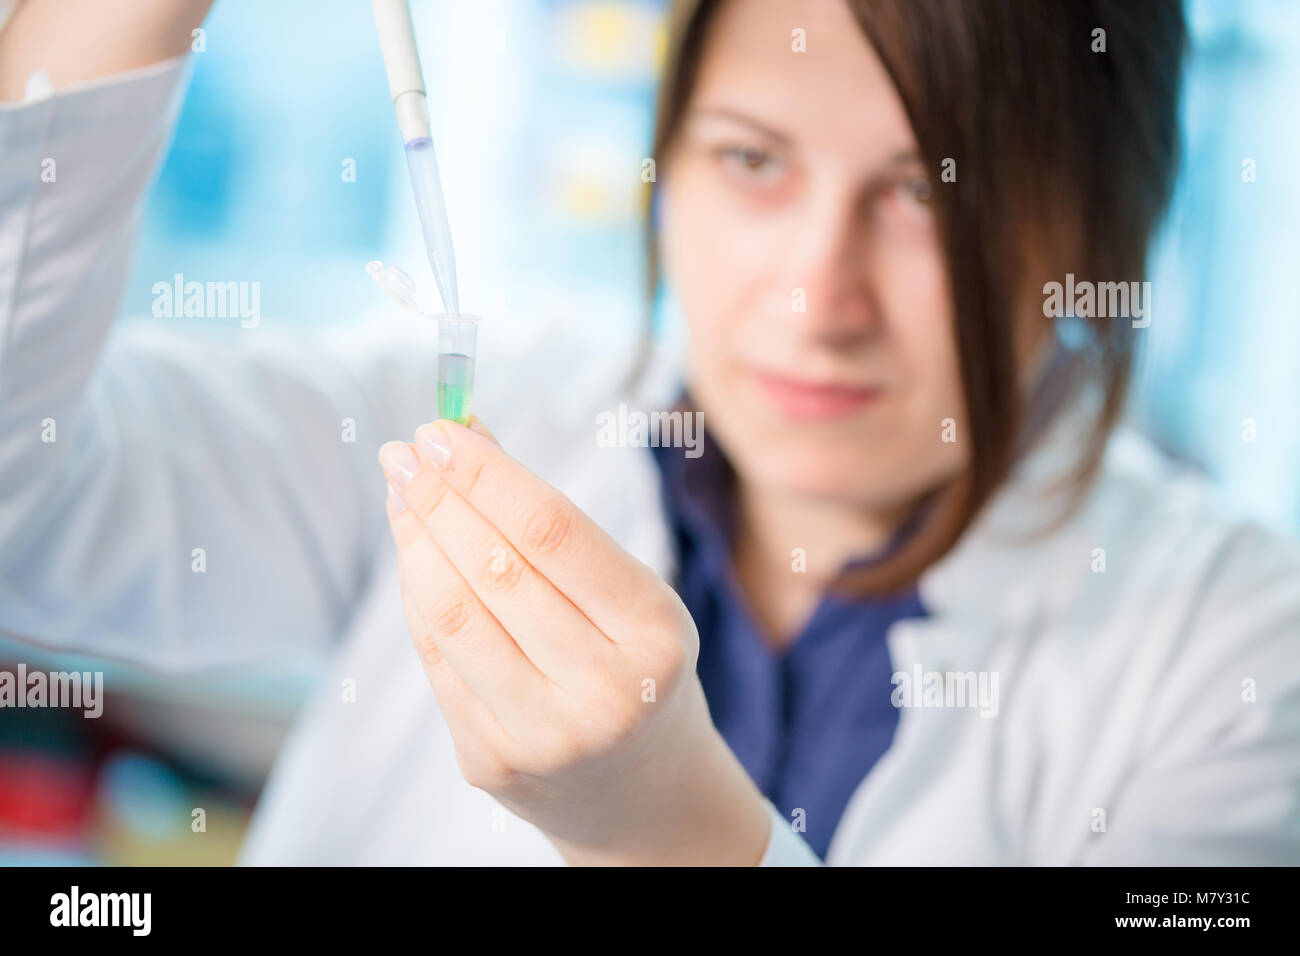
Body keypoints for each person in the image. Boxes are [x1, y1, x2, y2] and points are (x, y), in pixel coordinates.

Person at [1, 0, 1297, 865]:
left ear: (1097, 225)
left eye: (924, 193)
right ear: (668, 160)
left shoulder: (1233, 650)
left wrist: (666, 828)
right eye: (751, 161)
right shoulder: (475, 404)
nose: (816, 299)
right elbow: (24, 508)